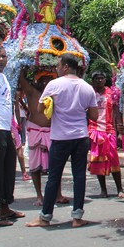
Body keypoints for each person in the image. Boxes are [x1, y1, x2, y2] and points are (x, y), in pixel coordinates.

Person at [26, 54, 98, 228]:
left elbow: (40, 108)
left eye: (58, 66)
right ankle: (77, 217)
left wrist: (53, 105)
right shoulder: (87, 87)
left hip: (60, 137)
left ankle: (45, 217)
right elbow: (94, 115)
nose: (56, 69)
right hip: (80, 136)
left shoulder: (54, 85)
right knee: (79, 176)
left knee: (54, 177)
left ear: (65, 67)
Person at [18, 70, 68, 206]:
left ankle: (58, 194)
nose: (45, 82)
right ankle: (39, 196)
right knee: (35, 167)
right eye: (43, 79)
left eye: (48, 80)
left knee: (56, 165)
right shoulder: (31, 91)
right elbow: (21, 77)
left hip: (53, 132)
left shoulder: (55, 94)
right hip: (35, 131)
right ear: (37, 81)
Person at [0, 45, 24, 226]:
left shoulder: (4, 77)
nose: (1, 59)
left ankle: (5, 207)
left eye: (3, 56)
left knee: (7, 169)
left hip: (6, 130)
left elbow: (6, 106)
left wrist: (13, 130)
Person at [88, 72, 124, 198]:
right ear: (93, 81)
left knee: (113, 158)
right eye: (96, 78)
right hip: (94, 130)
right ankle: (103, 190)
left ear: (105, 80)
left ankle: (120, 189)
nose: (99, 80)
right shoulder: (89, 93)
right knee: (98, 159)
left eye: (101, 78)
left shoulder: (111, 93)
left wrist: (120, 131)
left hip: (109, 130)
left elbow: (117, 111)